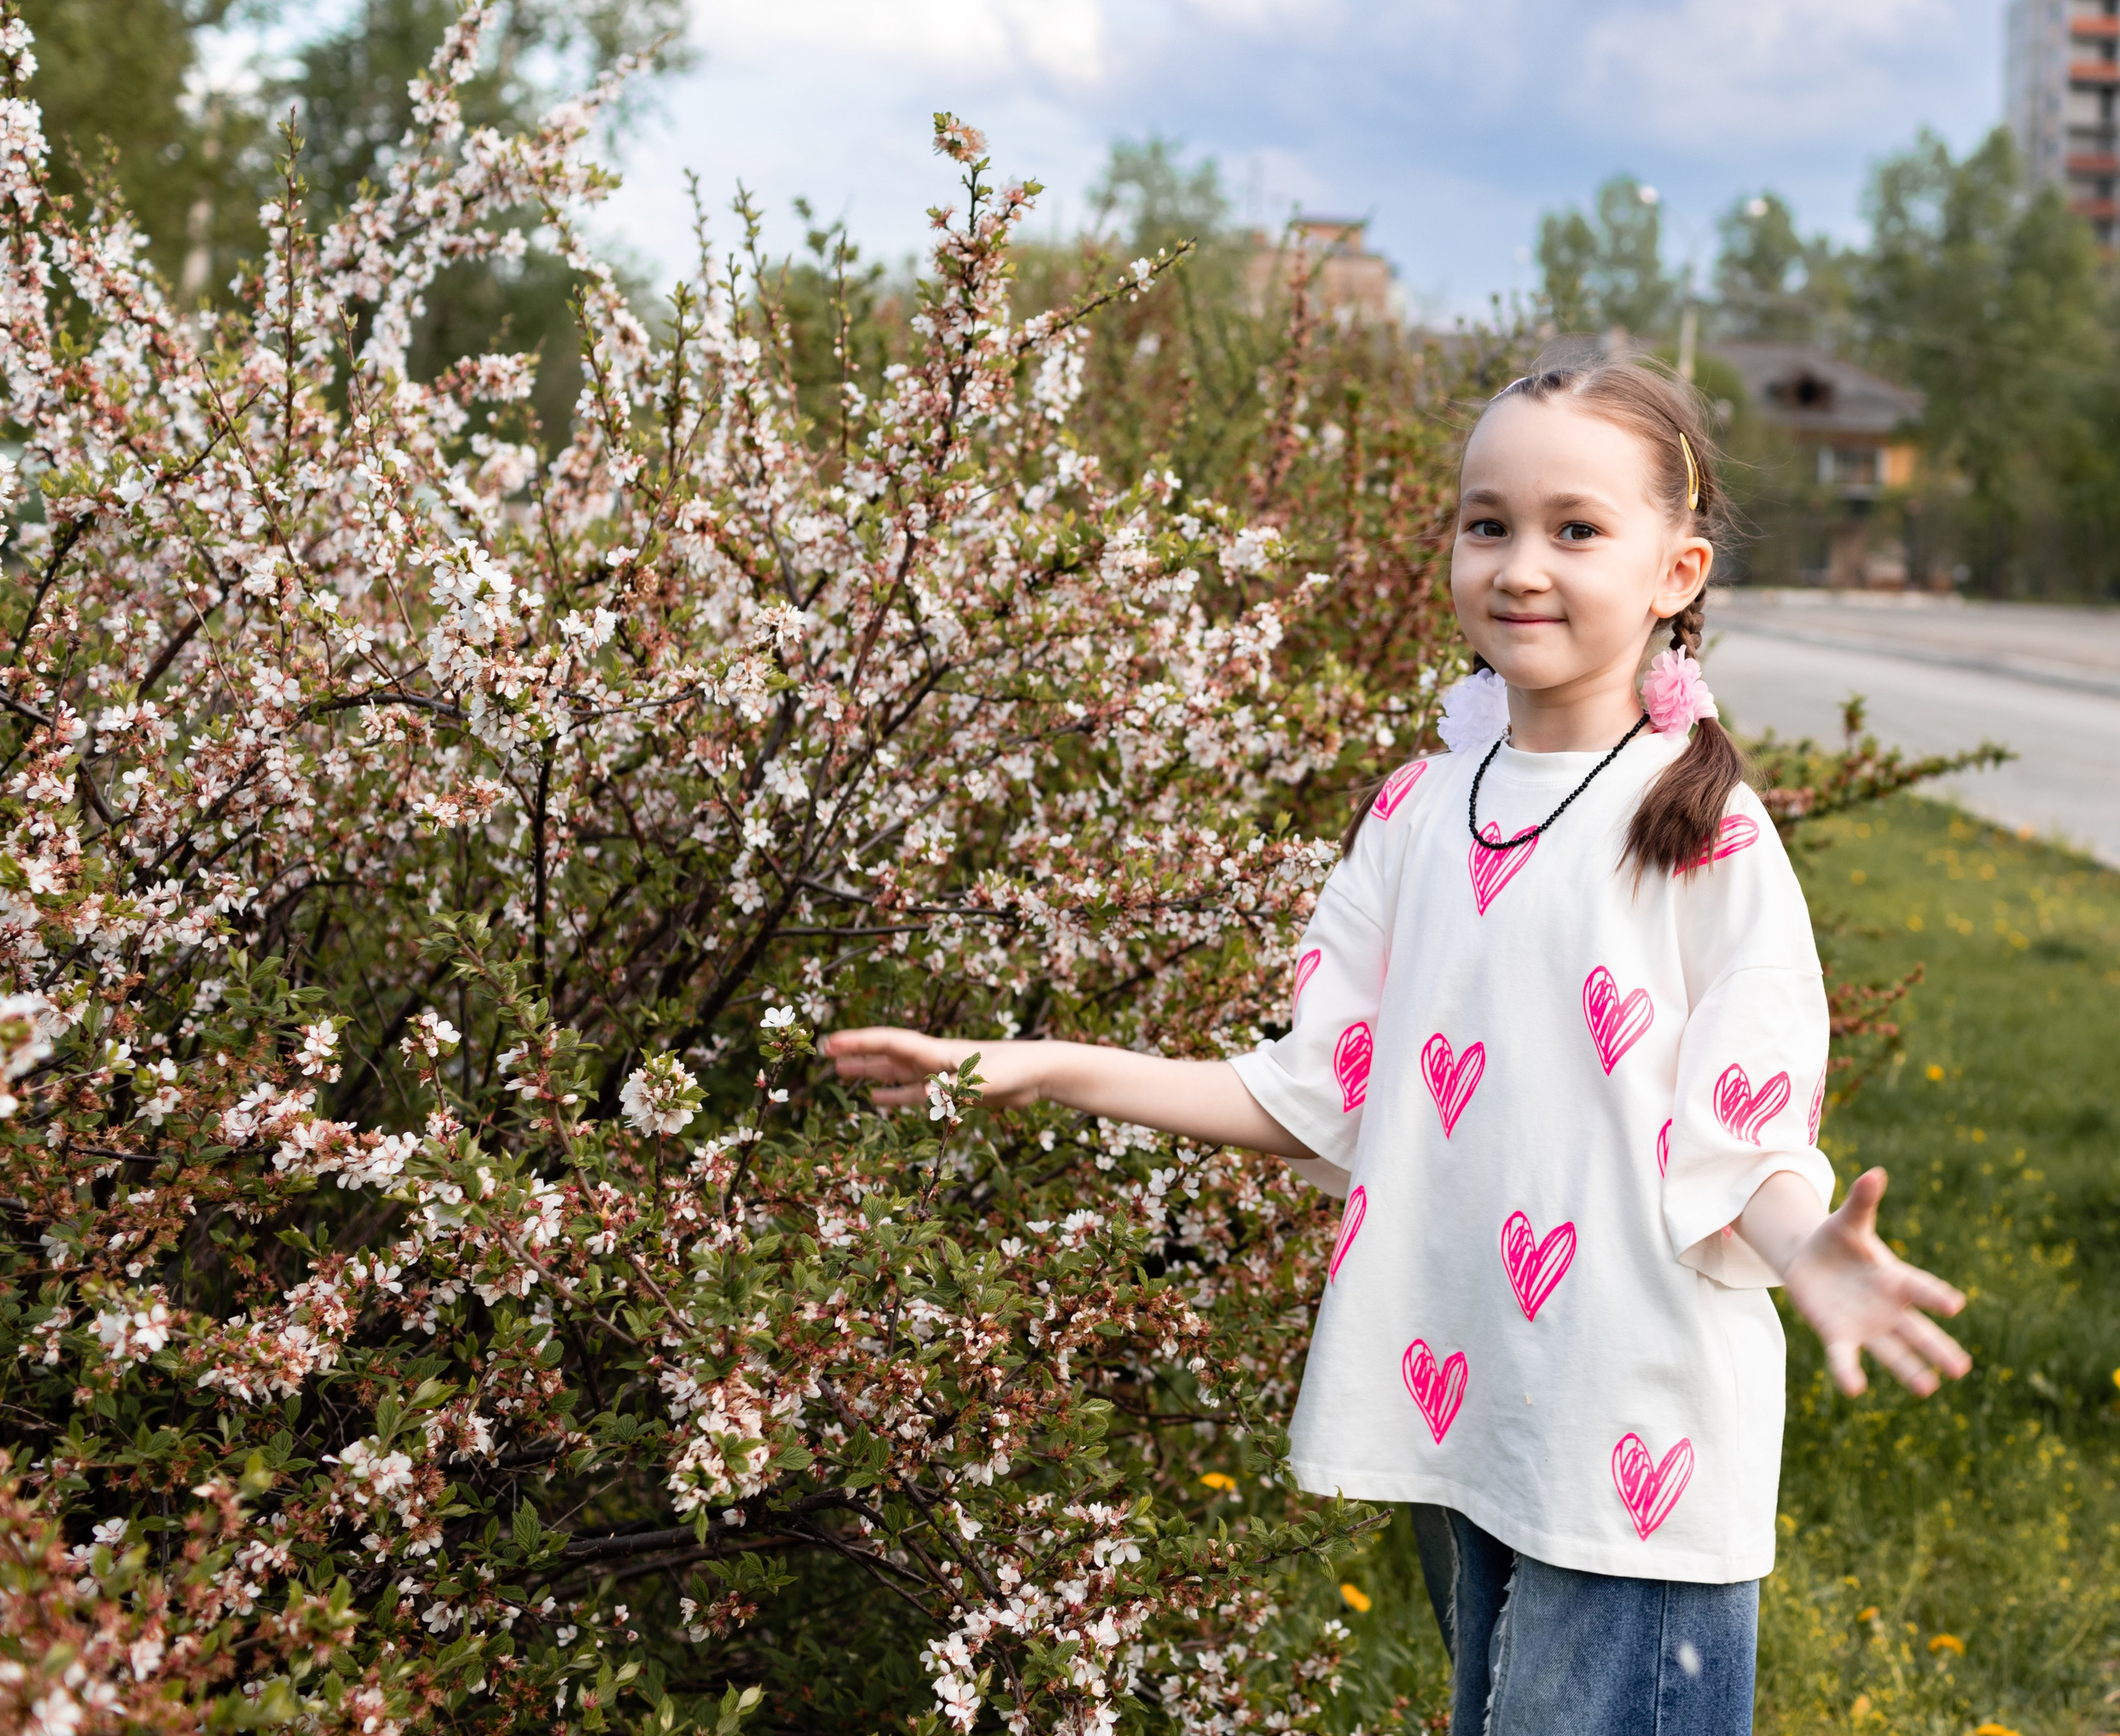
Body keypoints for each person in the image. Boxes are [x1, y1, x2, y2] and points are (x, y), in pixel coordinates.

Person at [824, 361, 1969, 1736]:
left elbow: (1740, 1135)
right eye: (1487, 524)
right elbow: (1315, 1094)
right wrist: (1030, 1063)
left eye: (1576, 529)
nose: (1521, 566)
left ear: (1679, 570)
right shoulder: (1420, 812)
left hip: (1630, 1435)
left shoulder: (1702, 831)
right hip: (1481, 1417)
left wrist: (1806, 1254)